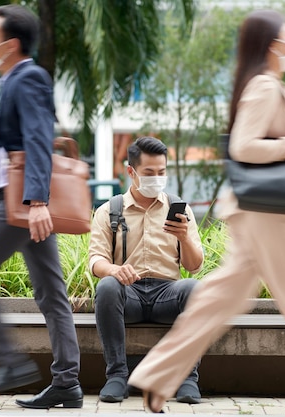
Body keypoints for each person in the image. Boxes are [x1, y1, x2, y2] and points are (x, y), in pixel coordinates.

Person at [127, 10, 285, 415]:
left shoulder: (262, 85)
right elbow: (243, 146)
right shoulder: (265, 86)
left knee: (221, 298)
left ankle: (157, 377)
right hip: (269, 215)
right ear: (274, 45)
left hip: (255, 212)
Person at [0, 5, 82, 410]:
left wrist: (38, 202)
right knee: (51, 292)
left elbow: (39, 140)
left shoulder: (29, 78)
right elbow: (1, 154)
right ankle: (67, 383)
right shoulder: (12, 81)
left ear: (9, 44)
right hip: (21, 203)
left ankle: (9, 361)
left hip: (21, 206)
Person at [89, 136, 204, 404]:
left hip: (168, 294)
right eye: (148, 173)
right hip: (128, 293)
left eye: (161, 172)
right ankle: (117, 376)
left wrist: (185, 237)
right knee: (106, 285)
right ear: (131, 172)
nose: (156, 178)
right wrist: (115, 270)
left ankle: (187, 378)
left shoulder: (180, 210)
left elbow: (194, 266)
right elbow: (96, 261)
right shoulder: (109, 210)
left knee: (195, 289)